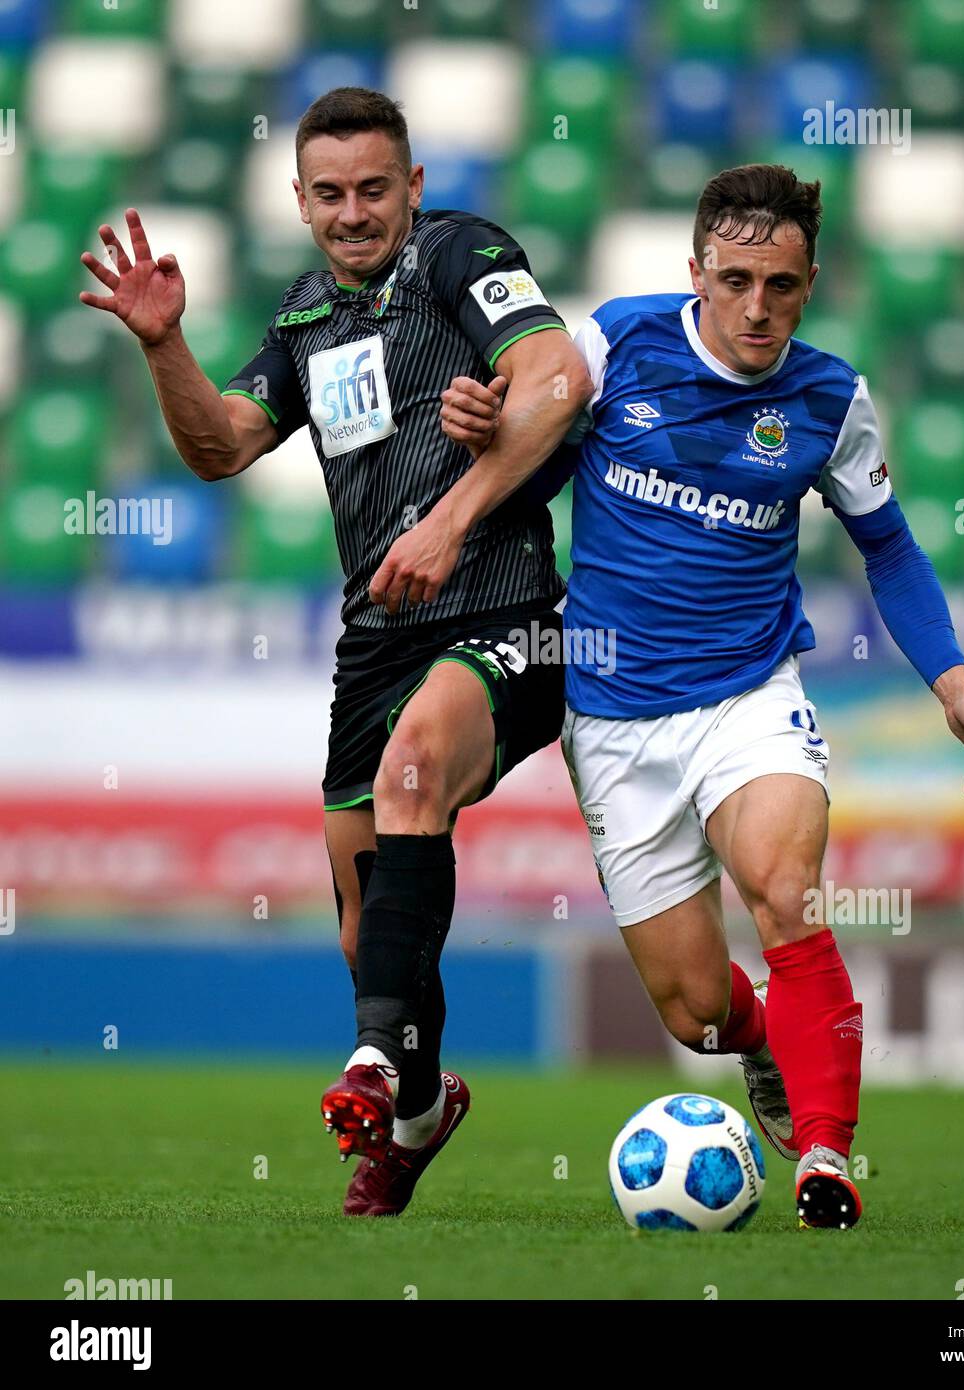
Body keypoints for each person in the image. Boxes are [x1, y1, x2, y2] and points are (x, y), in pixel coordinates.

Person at [433, 165, 964, 1229]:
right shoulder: (618, 344)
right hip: (614, 719)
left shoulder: (831, 398)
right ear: (696, 272)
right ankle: (756, 1048)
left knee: (787, 895)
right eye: (739, 279)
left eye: (785, 286)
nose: (760, 308)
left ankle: (826, 1159)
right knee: (699, 1012)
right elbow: (527, 467)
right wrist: (487, 428)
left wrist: (956, 682)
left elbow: (888, 548)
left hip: (749, 696)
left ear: (810, 284)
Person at [79, 87, 592, 1217]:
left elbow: (560, 379)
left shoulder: (465, 255)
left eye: (375, 188)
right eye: (330, 193)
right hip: (376, 644)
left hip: (502, 613)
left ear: (413, 186)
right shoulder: (306, 316)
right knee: (371, 932)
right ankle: (415, 1108)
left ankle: (367, 1066)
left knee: (415, 775)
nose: (354, 212)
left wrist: (454, 515)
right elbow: (219, 447)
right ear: (299, 200)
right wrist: (165, 346)